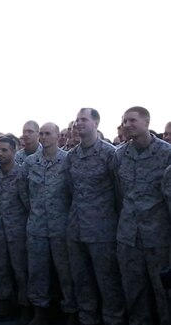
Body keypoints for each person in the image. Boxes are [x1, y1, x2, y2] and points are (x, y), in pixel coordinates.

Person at [64, 108, 125, 325]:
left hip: (102, 231)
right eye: (77, 120)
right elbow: (70, 190)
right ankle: (87, 318)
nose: (78, 123)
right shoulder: (71, 156)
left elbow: (120, 192)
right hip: (76, 229)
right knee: (81, 280)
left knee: (108, 281)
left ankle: (113, 319)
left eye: (84, 119)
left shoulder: (111, 154)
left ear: (96, 123)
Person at [112, 107, 171, 325]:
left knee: (163, 291)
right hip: (128, 237)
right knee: (134, 291)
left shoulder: (167, 153)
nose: (127, 125)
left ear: (146, 122)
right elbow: (119, 194)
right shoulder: (119, 155)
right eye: (124, 121)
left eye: (132, 120)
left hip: (158, 237)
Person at [23, 122, 76, 325]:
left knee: (66, 272)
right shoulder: (30, 162)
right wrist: (35, 210)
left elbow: (73, 191)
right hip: (36, 226)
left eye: (48, 134)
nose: (44, 137)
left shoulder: (68, 160)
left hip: (61, 227)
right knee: (37, 271)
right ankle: (40, 312)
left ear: (57, 136)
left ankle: (71, 311)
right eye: (42, 134)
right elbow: (23, 192)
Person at [0, 135, 30, 323]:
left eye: (5, 150)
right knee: (0, 270)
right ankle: (4, 305)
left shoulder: (23, 173)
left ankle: (26, 307)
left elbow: (28, 203)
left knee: (21, 271)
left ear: (15, 151)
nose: (0, 153)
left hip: (18, 230)